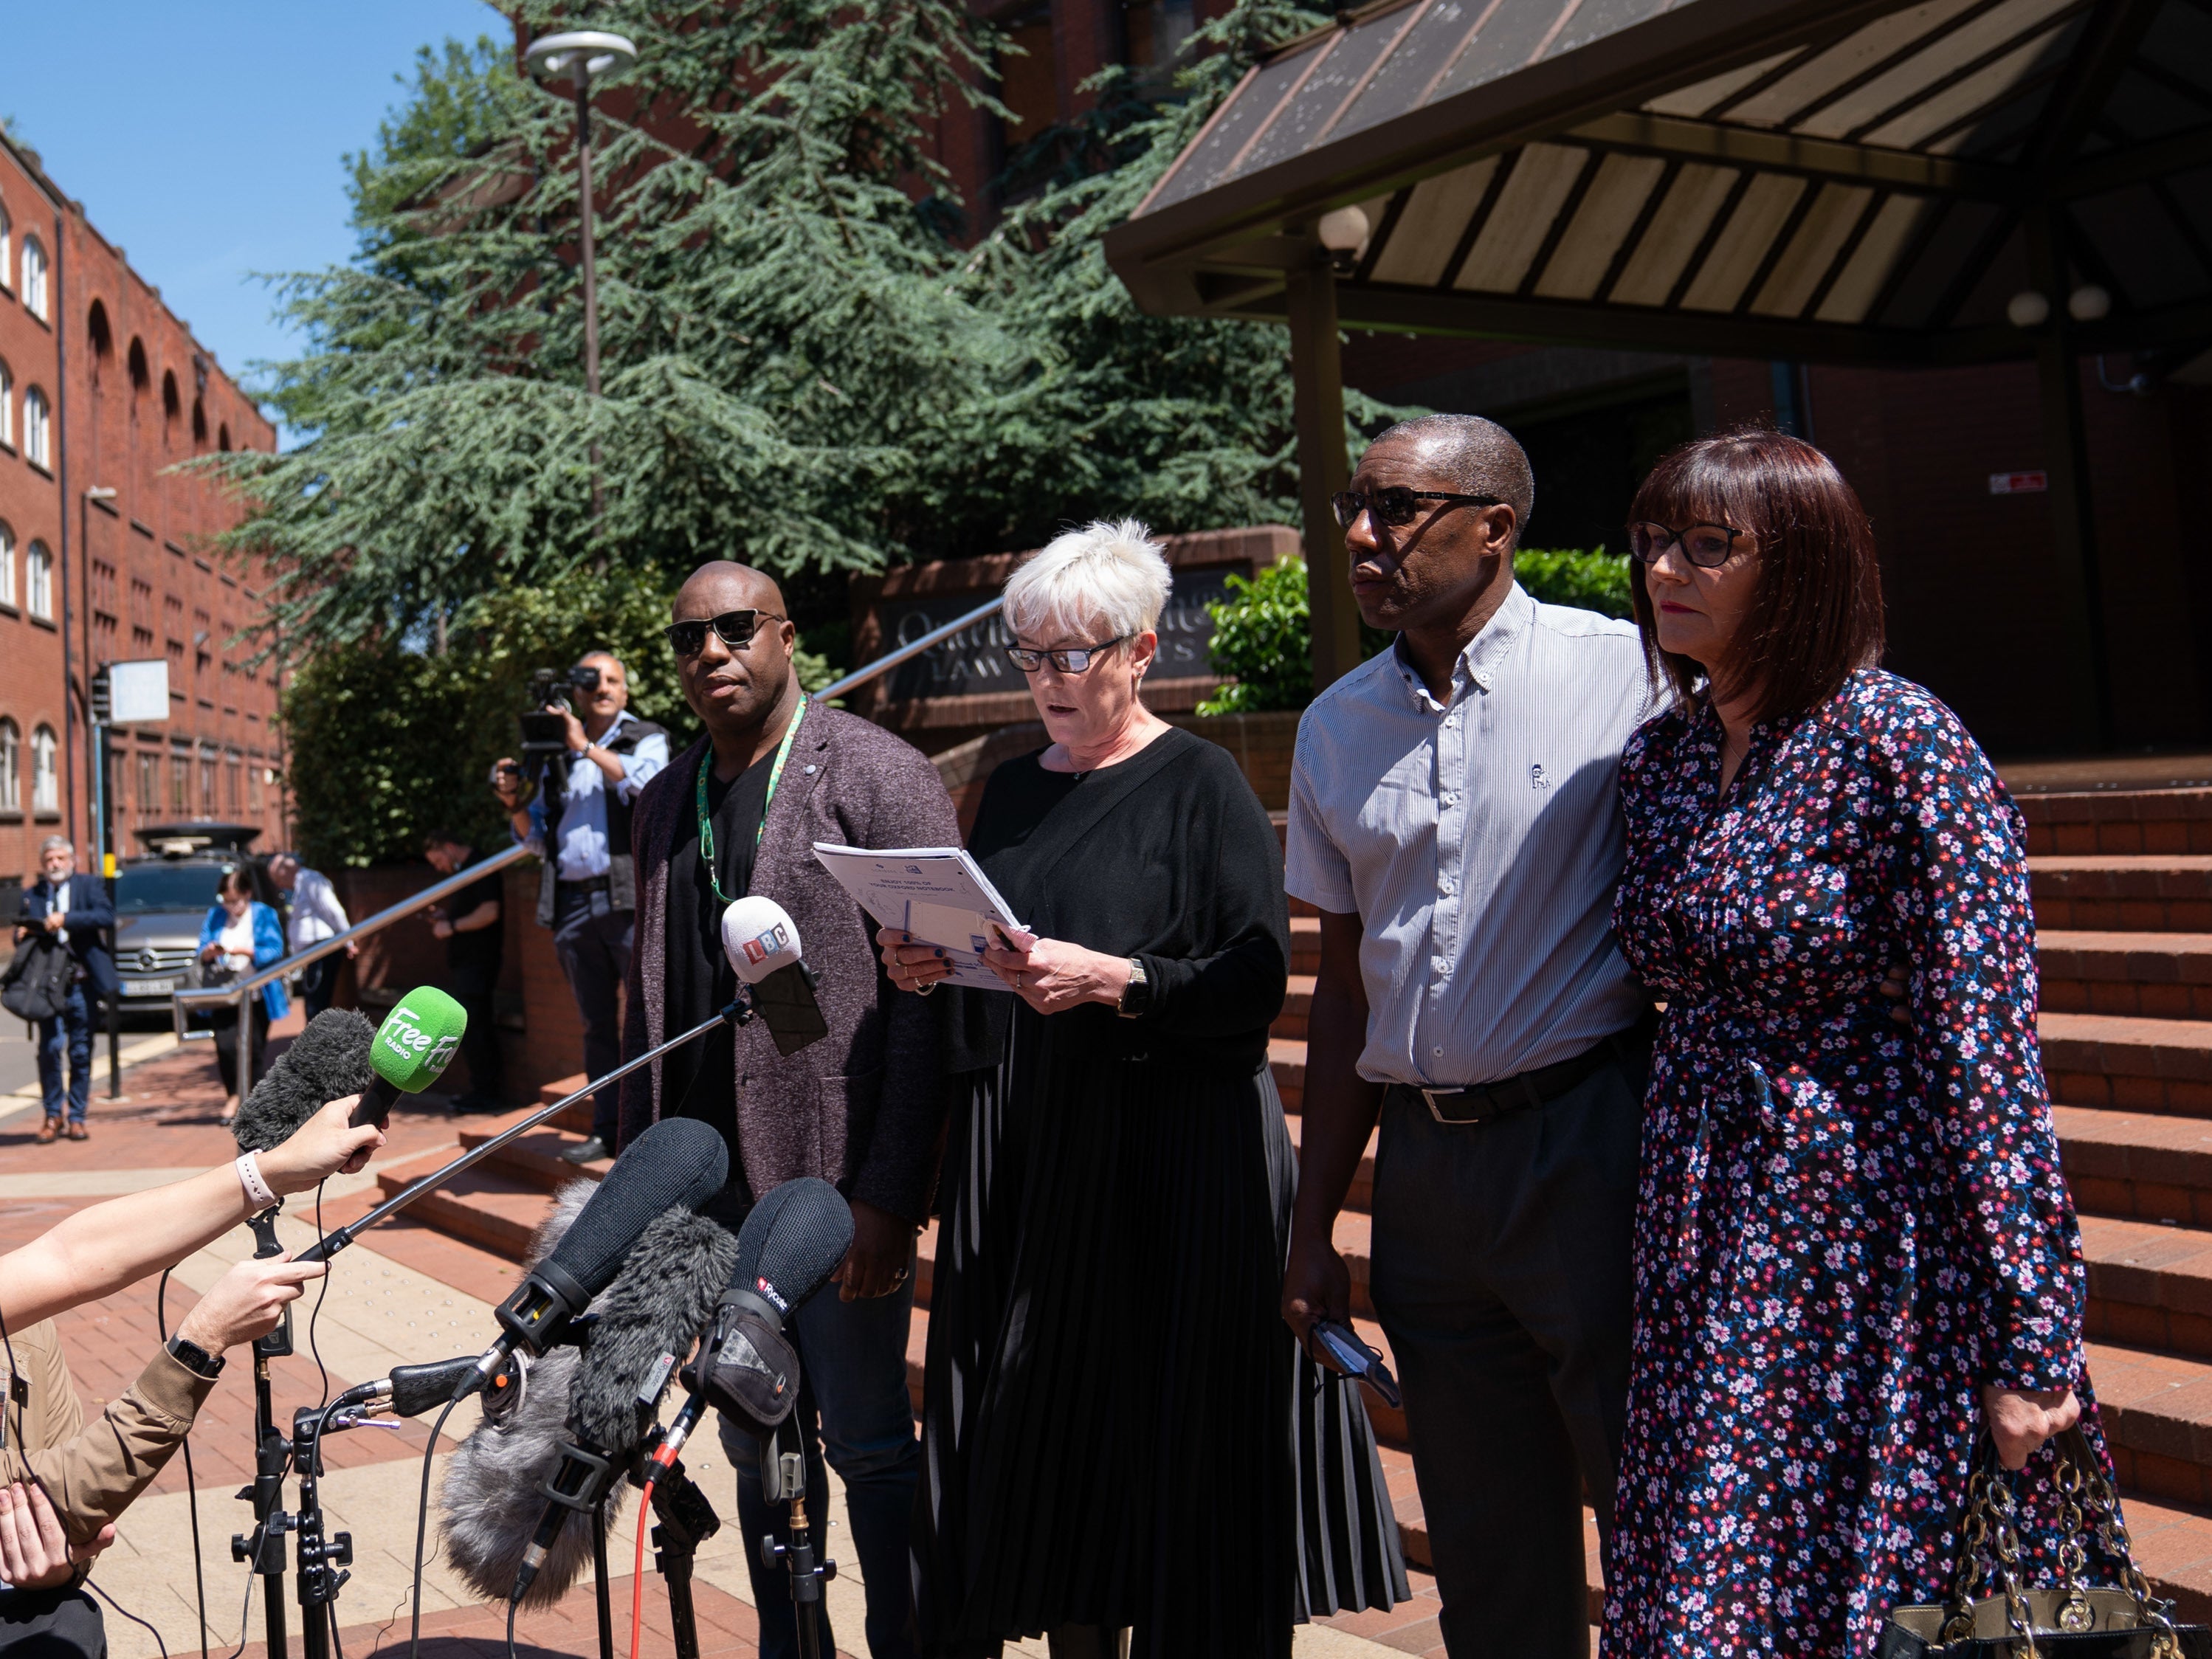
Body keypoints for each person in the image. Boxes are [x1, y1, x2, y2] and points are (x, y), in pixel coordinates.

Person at [1602, 429, 2100, 1657]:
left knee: (1883, 1587)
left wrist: (2032, 1328)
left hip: (1867, 1243)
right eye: (1655, 538)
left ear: (1803, 568)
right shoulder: (1659, 759)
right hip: (1703, 1227)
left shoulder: (1899, 744)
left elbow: (1985, 1050)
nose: (1665, 566)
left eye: (1708, 545)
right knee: (1718, 1569)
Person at [881, 520, 1406, 1659]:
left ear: (1141, 650)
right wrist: (934, 962)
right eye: (1030, 656)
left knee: (1176, 1454)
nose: (1049, 681)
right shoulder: (1011, 789)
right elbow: (1004, 954)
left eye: (1074, 655)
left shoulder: (1203, 780)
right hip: (1036, 1149)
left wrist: (1115, 981)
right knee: (1063, 1452)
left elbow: (1253, 977)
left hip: (1173, 1159)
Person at [1277, 415, 1656, 1659]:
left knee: (1652, 1520)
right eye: (1353, 507)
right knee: (1490, 1559)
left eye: (1398, 508)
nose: (1361, 536)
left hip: (1590, 1144)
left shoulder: (1632, 675)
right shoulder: (1335, 726)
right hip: (1428, 1181)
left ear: (1495, 527)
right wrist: (1313, 1218)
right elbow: (1343, 989)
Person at [616, 561, 954, 1659]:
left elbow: (928, 1008)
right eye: (685, 640)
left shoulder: (875, 773)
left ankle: (906, 1642)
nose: (708, 654)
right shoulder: (663, 800)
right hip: (711, 1197)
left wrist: (890, 1196)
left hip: (831, 1184)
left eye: (731, 630)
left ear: (785, 636)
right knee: (755, 1444)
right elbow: (649, 1000)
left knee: (866, 1445)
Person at [0, 1092, 380, 1658]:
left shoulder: (26, 1333)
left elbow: (69, 1257)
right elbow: (58, 1500)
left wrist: (272, 1169)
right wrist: (201, 1341)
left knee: (65, 1622)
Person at [492, 652, 668, 1165]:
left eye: (613, 680)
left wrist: (585, 746)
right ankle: (607, 1127)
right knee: (595, 1025)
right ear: (580, 694)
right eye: (593, 682)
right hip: (572, 903)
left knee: (647, 1016)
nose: (604, 689)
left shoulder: (644, 737)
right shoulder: (556, 751)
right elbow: (538, 841)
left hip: (629, 900)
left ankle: (655, 1132)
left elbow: (651, 789)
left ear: (626, 691)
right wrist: (513, 801)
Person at [17, 838, 117, 1144]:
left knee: (80, 1051)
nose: (55, 864)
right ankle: (52, 1114)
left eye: (60, 858)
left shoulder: (87, 886)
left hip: (81, 984)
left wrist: (67, 919)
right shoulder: (32, 894)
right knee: (49, 1049)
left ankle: (77, 1117)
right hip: (47, 987)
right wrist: (22, 932)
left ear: (72, 860)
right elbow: (21, 931)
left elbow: (106, 916)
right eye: (49, 859)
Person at [198, 866, 289, 1126]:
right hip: (224, 992)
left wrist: (245, 951)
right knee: (225, 1047)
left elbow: (274, 949)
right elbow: (201, 947)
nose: (230, 907)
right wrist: (210, 952)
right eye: (226, 901)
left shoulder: (263, 914)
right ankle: (234, 1096)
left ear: (247, 894)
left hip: (256, 993)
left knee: (254, 1049)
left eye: (235, 901)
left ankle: (254, 1103)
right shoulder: (215, 915)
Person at [422, 831, 506, 1114]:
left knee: (477, 1029)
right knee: (475, 1029)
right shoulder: (469, 869)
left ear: (448, 846)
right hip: (469, 965)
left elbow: (490, 911)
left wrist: (452, 927)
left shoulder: (479, 867)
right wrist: (449, 919)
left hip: (478, 964)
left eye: (438, 860)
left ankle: (486, 1093)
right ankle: (482, 1091)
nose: (439, 867)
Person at [268, 852, 355, 1020]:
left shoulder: (310, 880)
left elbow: (333, 910)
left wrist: (349, 941)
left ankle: (318, 1044)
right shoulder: (300, 884)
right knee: (314, 1004)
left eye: (279, 880)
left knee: (317, 1006)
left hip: (322, 950)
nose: (281, 886)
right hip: (313, 954)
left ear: (285, 870)